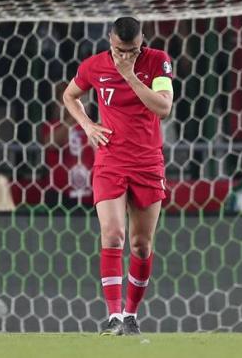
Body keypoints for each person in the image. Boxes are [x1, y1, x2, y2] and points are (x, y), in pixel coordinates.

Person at [62, 17, 174, 336]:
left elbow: (164, 108)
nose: (126, 54)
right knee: (113, 235)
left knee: (140, 245)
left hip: (148, 162)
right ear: (110, 38)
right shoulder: (94, 66)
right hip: (110, 159)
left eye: (133, 49)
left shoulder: (157, 61)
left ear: (143, 41)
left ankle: (130, 315)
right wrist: (86, 125)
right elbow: (70, 96)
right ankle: (113, 316)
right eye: (121, 49)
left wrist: (130, 76)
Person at [42, 82, 95, 207]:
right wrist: (75, 115)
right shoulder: (52, 126)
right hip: (60, 195)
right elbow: (51, 143)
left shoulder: (92, 126)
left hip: (90, 194)